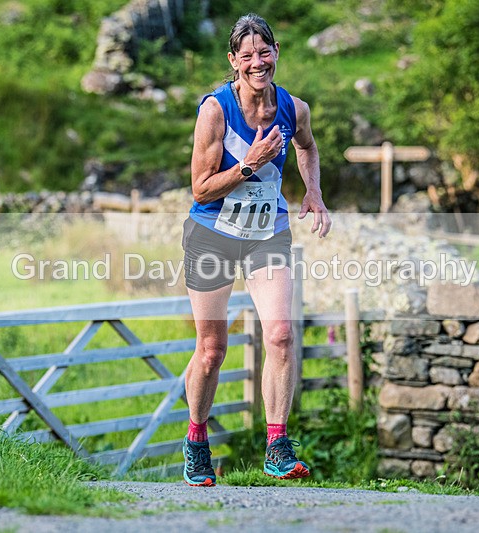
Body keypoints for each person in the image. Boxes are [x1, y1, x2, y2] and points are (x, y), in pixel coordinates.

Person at [181, 13, 331, 487]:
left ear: (276, 52)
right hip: (213, 234)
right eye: (246, 56)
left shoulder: (293, 108)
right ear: (233, 61)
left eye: (263, 52)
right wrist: (248, 165)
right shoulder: (215, 111)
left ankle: (277, 446)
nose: (257, 62)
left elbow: (307, 147)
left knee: (282, 334)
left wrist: (313, 192)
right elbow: (201, 189)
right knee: (212, 349)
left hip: (267, 234)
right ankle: (196, 440)